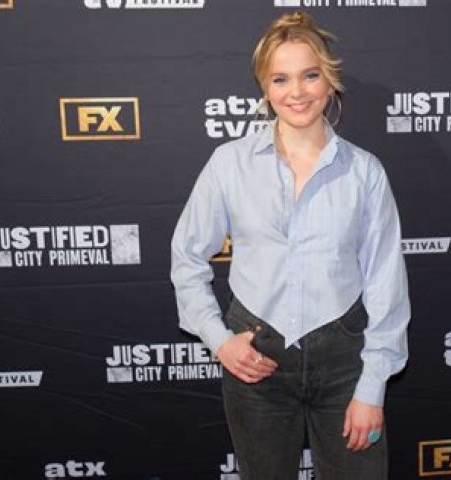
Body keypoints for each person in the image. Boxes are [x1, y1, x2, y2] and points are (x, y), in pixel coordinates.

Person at [170, 11, 410, 480]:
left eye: (310, 75)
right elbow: (187, 257)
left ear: (330, 80)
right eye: (280, 79)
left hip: (346, 362)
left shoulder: (364, 172)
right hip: (255, 358)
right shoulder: (229, 164)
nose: (296, 92)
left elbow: (386, 282)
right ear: (265, 87)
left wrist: (372, 387)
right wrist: (219, 340)